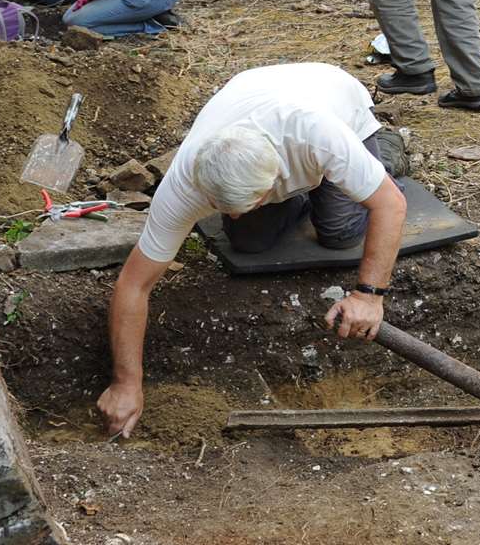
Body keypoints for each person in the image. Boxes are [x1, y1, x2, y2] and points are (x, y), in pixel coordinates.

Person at [97, 63, 409, 438]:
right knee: (249, 242)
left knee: (340, 231)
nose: (229, 215)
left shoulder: (317, 134)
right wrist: (126, 382)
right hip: (251, 97)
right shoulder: (184, 182)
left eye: (243, 205)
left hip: (333, 98)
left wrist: (368, 296)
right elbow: (134, 285)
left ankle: (385, 155)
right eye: (222, 206)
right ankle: (320, 190)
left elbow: (391, 206)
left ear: (273, 180)